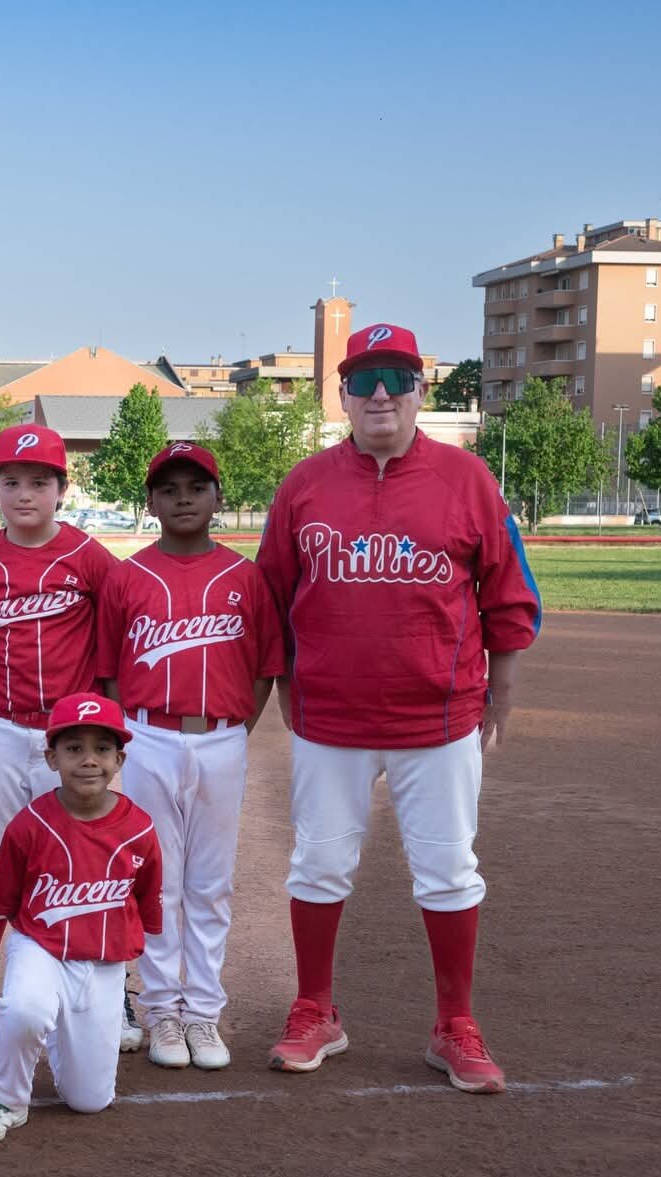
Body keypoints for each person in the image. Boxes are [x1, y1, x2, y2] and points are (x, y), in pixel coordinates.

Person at [256, 322, 541, 1095]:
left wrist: (502, 694)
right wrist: (279, 685)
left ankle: (455, 1024)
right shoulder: (305, 484)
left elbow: (508, 593)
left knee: (448, 871)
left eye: (397, 377)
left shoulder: (468, 478)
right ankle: (316, 1008)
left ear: (422, 388)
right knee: (318, 862)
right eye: (364, 378)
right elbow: (269, 596)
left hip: (439, 719)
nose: (380, 394)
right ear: (343, 393)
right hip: (330, 720)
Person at [95, 442, 282, 1071]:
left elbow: (264, 671)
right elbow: (110, 674)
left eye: (195, 486)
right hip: (147, 735)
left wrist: (234, 732)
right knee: (160, 881)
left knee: (210, 884)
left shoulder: (245, 577)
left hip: (223, 737)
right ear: (149, 501)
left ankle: (203, 1012)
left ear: (217, 498)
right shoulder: (128, 576)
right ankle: (161, 1011)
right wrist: (131, 736)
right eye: (168, 487)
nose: (182, 497)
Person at [0, 423, 119, 1049]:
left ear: (62, 489)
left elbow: (114, 645)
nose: (24, 494)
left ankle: (103, 992)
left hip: (71, 735)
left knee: (87, 856)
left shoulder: (90, 557)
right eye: (11, 481)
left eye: (39, 482)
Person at [0, 694, 162, 1144]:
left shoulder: (140, 829)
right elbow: (10, 904)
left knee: (88, 1100)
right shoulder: (29, 825)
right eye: (74, 749)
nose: (88, 760)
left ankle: (60, 1028)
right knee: (26, 1007)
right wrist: (37, 958)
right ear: (51, 758)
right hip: (43, 947)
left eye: (102, 749)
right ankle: (7, 1099)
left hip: (104, 962)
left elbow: (145, 905)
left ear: (120, 759)